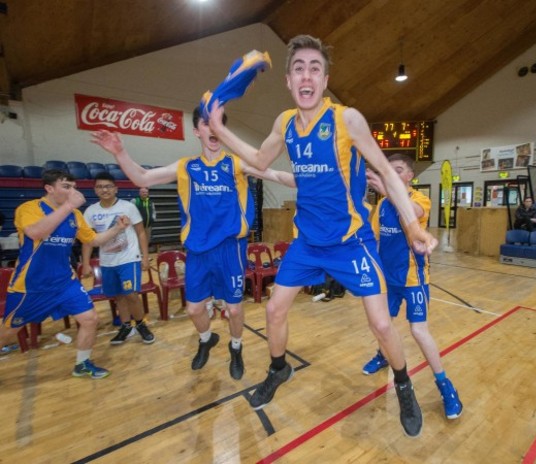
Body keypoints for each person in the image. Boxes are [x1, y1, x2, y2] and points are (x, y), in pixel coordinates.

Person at [208, 35, 437, 437]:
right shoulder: (284, 123)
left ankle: (403, 383)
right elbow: (261, 160)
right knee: (275, 309)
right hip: (308, 243)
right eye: (299, 68)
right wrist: (217, 128)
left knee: (382, 326)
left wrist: (414, 225)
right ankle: (279, 369)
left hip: (352, 243)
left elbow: (384, 170)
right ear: (289, 81)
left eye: (315, 67)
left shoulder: (347, 119)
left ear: (325, 78)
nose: (307, 75)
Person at [91, 106, 294, 380]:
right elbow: (142, 178)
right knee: (194, 308)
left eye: (219, 123)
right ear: (198, 131)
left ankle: (236, 347)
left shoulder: (237, 163)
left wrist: (313, 180)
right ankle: (206, 338)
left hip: (229, 249)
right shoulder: (186, 167)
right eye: (207, 124)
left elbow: (277, 176)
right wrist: (119, 152)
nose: (214, 129)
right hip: (198, 251)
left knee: (234, 308)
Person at [0, 169, 130, 379]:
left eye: (74, 187)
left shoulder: (75, 215)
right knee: (7, 333)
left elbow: (93, 240)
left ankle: (82, 364)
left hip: (65, 283)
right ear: (49, 189)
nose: (72, 191)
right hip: (30, 286)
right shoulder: (29, 208)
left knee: (90, 319)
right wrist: (69, 205)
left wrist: (117, 229)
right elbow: (36, 232)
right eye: (66, 187)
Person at [364, 154, 463, 420]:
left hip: (412, 278)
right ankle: (382, 355)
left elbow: (413, 213)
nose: (393, 175)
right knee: (382, 324)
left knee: (419, 332)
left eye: (398, 170)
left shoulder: (419, 199)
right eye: (389, 171)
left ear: (410, 176)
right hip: (388, 279)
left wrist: (387, 190)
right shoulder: (383, 205)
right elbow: (374, 240)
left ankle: (446, 387)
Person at [82, 171, 155, 345]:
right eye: (100, 186)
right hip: (107, 262)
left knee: (130, 294)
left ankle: (140, 324)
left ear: (116, 188)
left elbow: (141, 233)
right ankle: (126, 326)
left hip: (128, 259)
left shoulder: (127, 207)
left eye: (108, 186)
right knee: (118, 296)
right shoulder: (91, 211)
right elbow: (87, 240)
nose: (104, 189)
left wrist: (145, 257)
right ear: (95, 190)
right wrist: (85, 263)